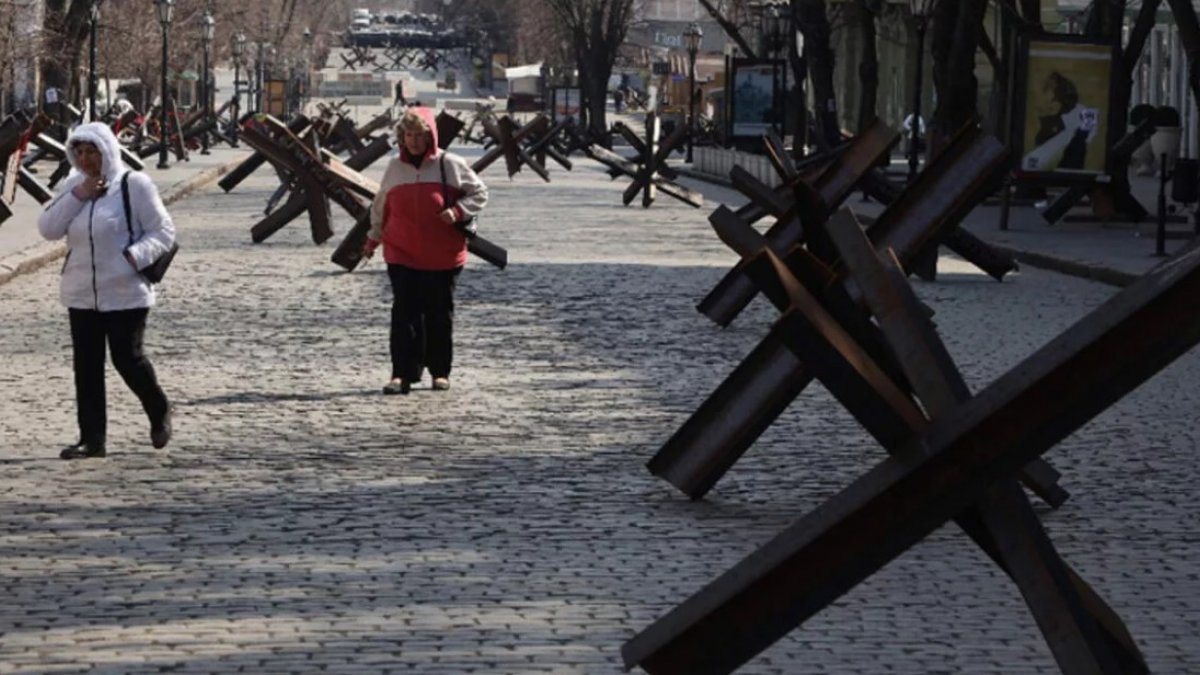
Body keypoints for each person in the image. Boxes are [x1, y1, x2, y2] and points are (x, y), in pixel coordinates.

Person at [37, 122, 176, 459]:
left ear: (107, 151)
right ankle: (92, 439)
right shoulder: (75, 187)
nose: (86, 159)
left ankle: (158, 409)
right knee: (86, 366)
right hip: (81, 291)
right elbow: (48, 228)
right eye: (80, 152)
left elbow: (163, 231)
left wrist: (133, 256)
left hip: (125, 291)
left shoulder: (134, 185)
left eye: (92, 151)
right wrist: (79, 195)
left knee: (127, 359)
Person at [363, 107, 488, 395]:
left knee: (438, 313)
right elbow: (381, 205)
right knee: (404, 312)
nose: (414, 141)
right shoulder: (395, 168)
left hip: (442, 253)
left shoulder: (450, 163)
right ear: (402, 137)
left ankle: (440, 371)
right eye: (409, 135)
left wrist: (457, 212)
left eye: (420, 135)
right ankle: (402, 374)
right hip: (401, 250)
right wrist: (373, 238)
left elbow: (480, 192)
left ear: (430, 136)